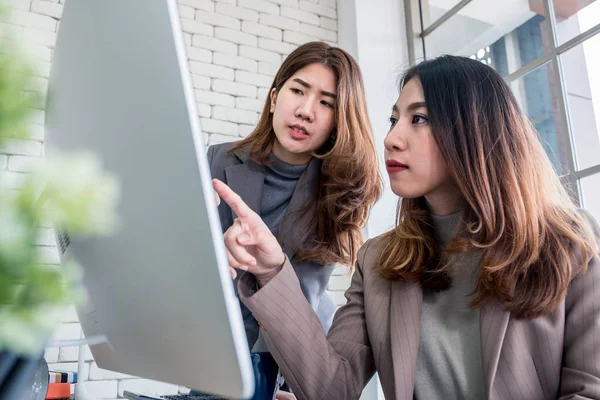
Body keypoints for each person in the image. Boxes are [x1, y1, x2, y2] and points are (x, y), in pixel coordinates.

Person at [214, 54, 600, 400]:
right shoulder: (379, 261)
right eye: (394, 119)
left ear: (477, 130)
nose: (391, 139)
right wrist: (270, 269)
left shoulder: (571, 244)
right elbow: (331, 387)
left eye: (419, 118)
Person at [201, 41, 382, 398]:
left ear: (338, 120)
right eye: (297, 90)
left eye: (326, 102)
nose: (305, 110)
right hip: (218, 345)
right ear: (273, 99)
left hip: (289, 352)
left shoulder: (341, 190)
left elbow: (301, 295)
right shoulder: (218, 160)